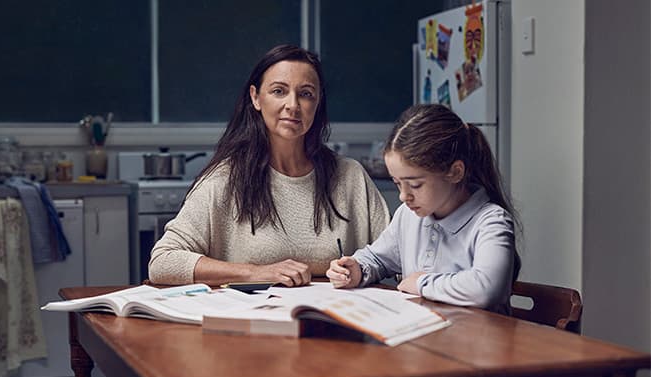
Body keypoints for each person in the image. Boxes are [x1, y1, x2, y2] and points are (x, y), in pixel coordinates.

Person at [149, 45, 390, 287]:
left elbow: (398, 254)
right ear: (255, 97)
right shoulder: (225, 179)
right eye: (279, 91)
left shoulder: (351, 176)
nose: (293, 105)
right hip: (254, 320)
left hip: (333, 319)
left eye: (306, 94)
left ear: (318, 103)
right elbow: (163, 262)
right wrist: (255, 273)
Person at [326, 104, 521, 313]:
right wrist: (356, 269)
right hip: (423, 335)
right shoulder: (409, 215)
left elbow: (486, 288)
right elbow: (377, 258)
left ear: (455, 173)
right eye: (397, 183)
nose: (404, 196)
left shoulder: (491, 222)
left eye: (415, 185)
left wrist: (422, 283)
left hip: (478, 341)